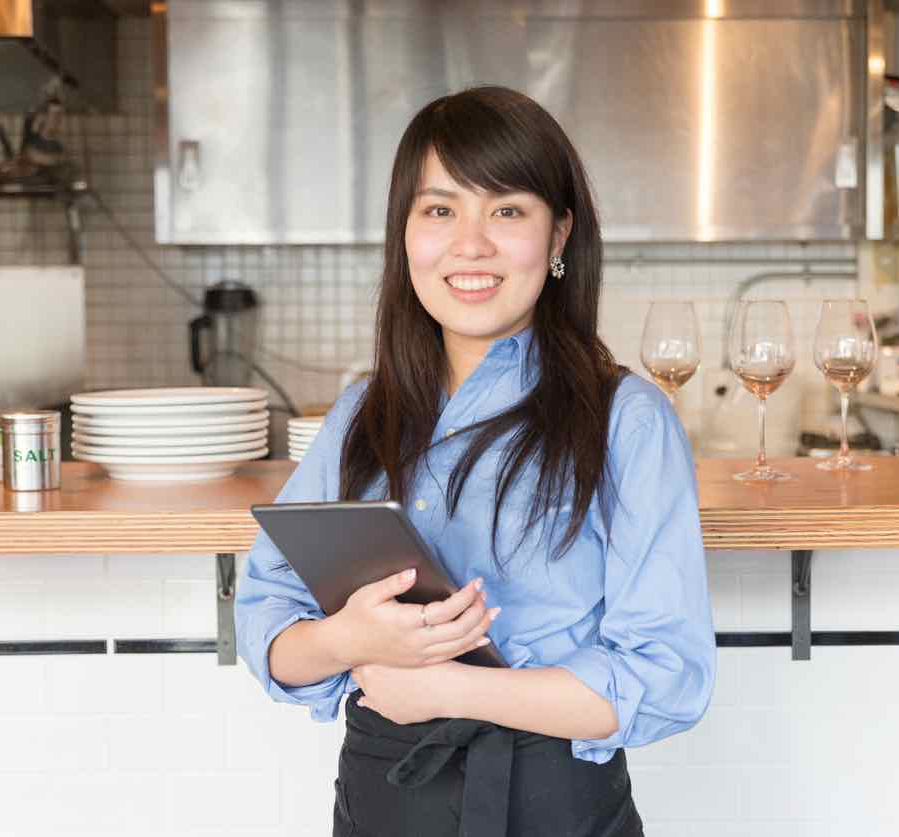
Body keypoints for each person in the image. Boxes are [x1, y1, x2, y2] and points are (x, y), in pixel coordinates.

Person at [236, 85, 715, 837]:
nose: (470, 243)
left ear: (559, 235)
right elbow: (265, 621)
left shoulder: (626, 419)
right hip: (382, 799)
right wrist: (348, 640)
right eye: (439, 209)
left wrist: (448, 688)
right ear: (405, 232)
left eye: (507, 210)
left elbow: (664, 678)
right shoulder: (363, 413)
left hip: (554, 807)